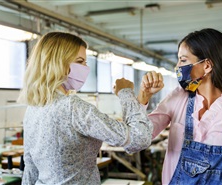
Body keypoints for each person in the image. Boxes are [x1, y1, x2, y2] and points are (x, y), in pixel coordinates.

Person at [18, 32, 153, 185]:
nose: (86, 68)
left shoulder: (33, 109)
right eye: (80, 61)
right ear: (59, 63)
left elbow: (30, 168)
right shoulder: (72, 107)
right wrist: (126, 93)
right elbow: (138, 138)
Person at [138, 28, 222, 184]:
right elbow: (138, 139)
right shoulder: (178, 98)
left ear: (207, 65)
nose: (177, 66)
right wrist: (144, 96)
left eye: (183, 60)